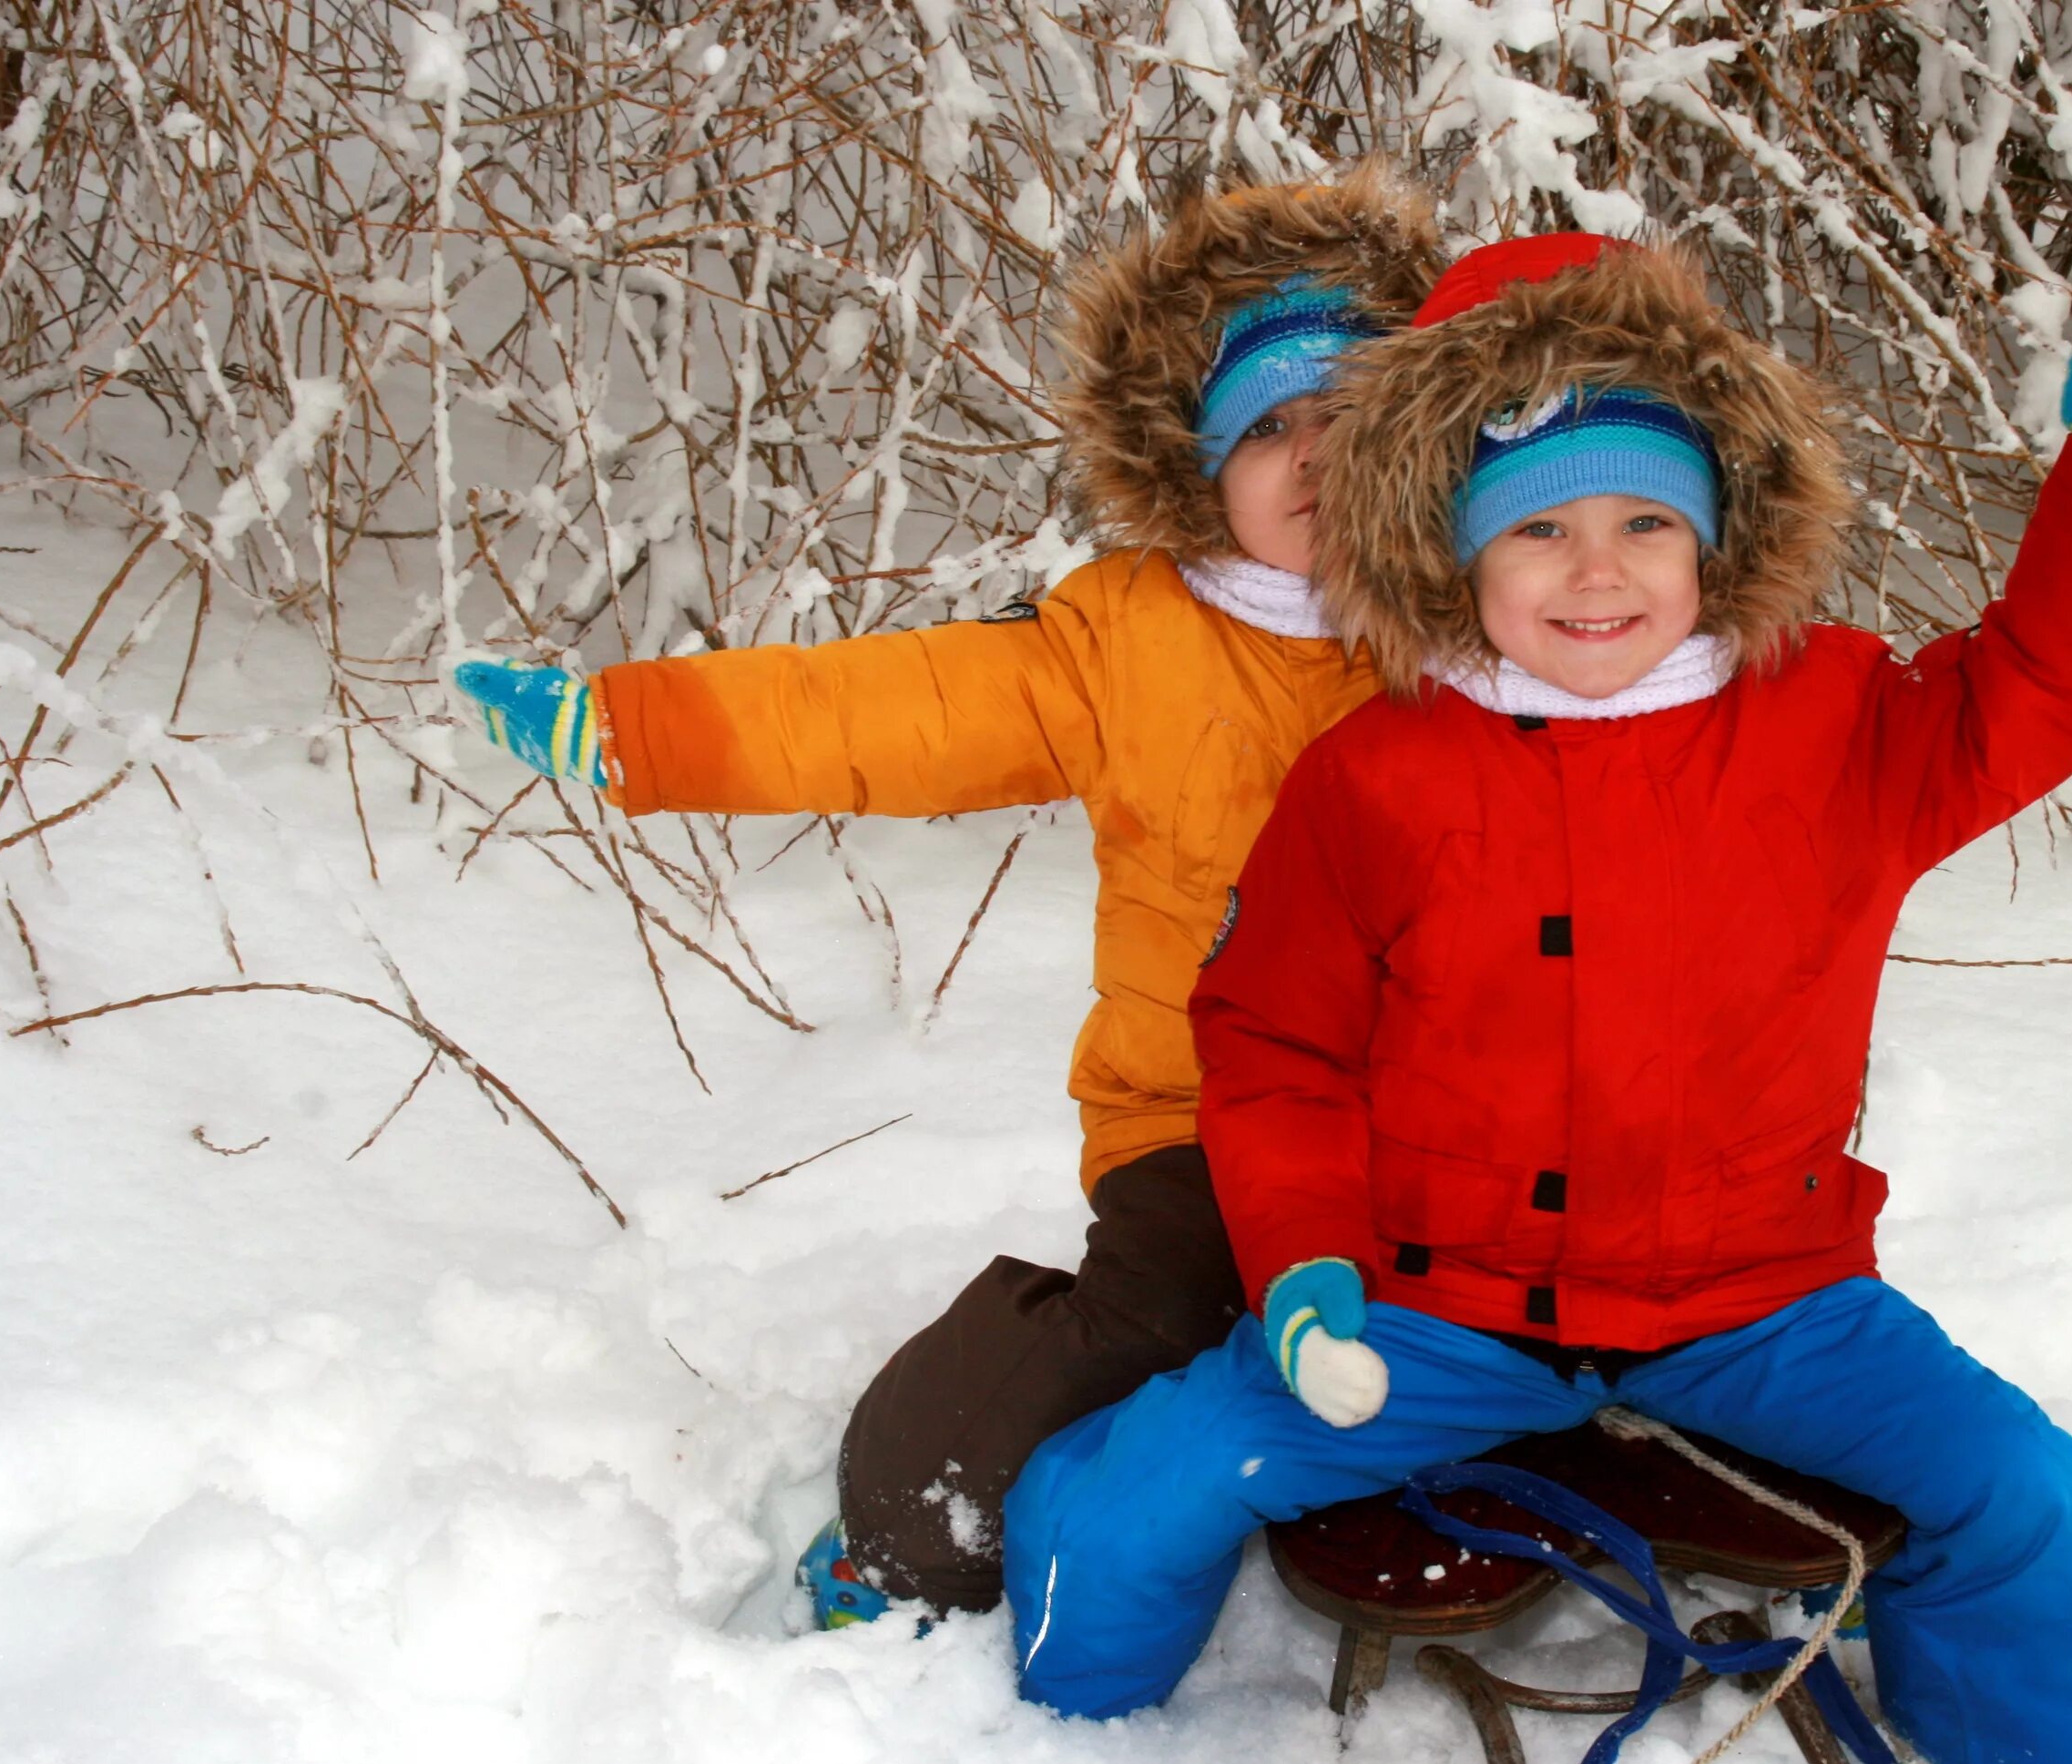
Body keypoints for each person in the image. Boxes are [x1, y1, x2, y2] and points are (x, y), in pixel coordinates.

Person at [998, 234, 2072, 1764]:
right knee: (1135, 1487)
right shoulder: (1377, 779)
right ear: (1452, 553)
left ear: (1718, 537)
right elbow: (1276, 1044)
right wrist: (1301, 1272)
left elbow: (2037, 685)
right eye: (1542, 528)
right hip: (1443, 1311)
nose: (1599, 570)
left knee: (2033, 1495)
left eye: (1647, 520)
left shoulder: (1838, 726)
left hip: (1768, 1305)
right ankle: (1058, 1758)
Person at [450, 168, 1442, 1622]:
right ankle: (913, 1515)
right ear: (1197, 462)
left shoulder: (1501, 620)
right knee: (1164, 1318)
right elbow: (893, 709)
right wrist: (646, 728)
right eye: (1269, 426)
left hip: (1455, 1109)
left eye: (1350, 416)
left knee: (1535, 1326)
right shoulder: (1127, 642)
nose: (1311, 458)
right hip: (1201, 1109)